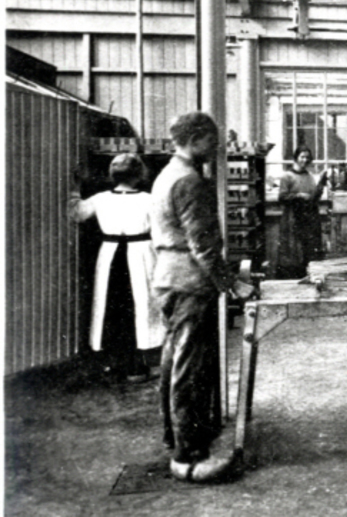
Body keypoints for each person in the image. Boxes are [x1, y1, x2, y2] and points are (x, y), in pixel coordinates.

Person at [151, 112, 255, 483]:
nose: (216, 148)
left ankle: (177, 439)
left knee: (176, 363)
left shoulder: (168, 174)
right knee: (189, 369)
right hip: (189, 283)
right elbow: (203, 246)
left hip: (170, 279)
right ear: (195, 139)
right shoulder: (189, 181)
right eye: (212, 140)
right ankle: (189, 457)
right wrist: (232, 284)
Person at [71, 153, 162, 382]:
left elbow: (76, 213)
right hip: (141, 254)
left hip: (110, 254)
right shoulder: (150, 200)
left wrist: (75, 188)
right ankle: (137, 367)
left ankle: (113, 365)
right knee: (140, 307)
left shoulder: (100, 199)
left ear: (112, 175)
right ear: (140, 174)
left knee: (111, 307)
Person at [276, 145, 329, 278]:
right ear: (296, 158)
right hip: (293, 218)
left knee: (309, 251)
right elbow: (281, 198)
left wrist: (321, 185)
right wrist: (298, 195)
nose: (305, 160)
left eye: (307, 157)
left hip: (309, 218)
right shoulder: (287, 177)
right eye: (302, 157)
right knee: (293, 251)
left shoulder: (310, 176)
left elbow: (313, 198)